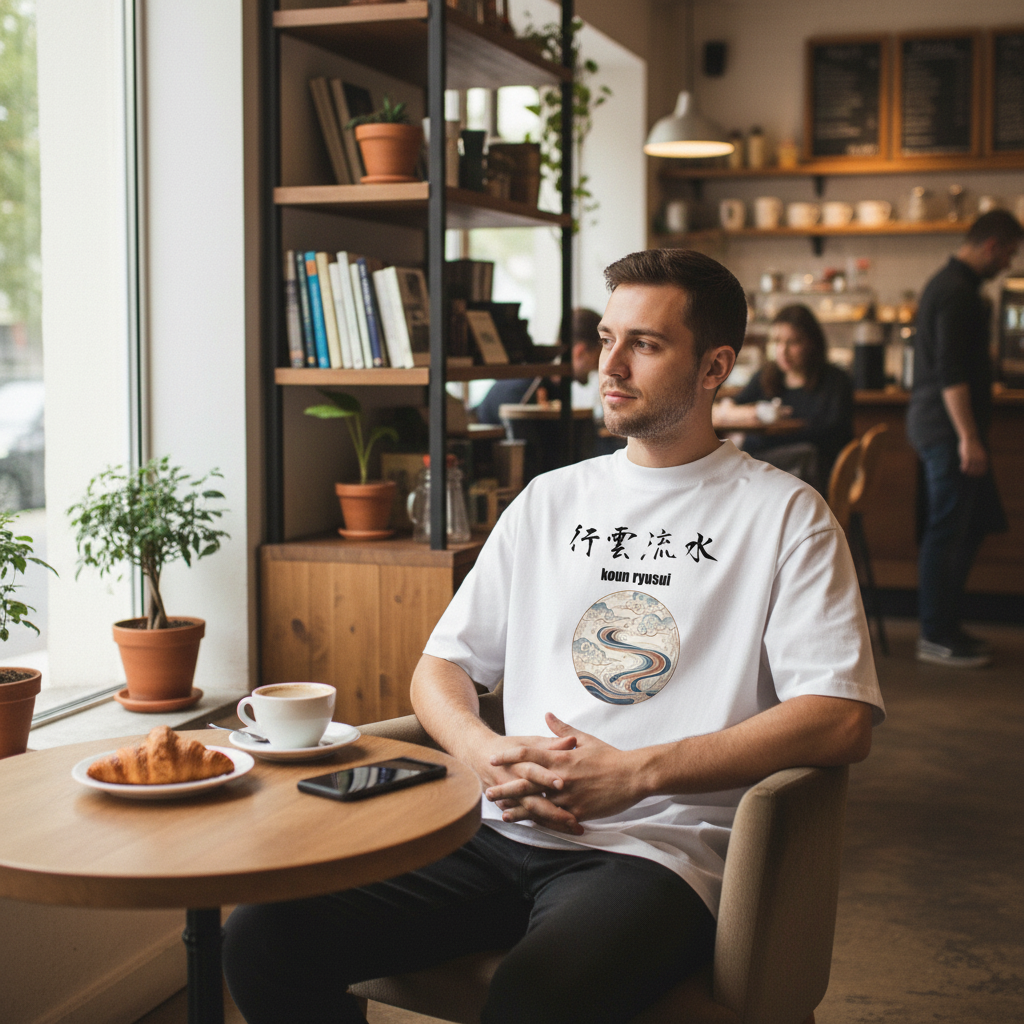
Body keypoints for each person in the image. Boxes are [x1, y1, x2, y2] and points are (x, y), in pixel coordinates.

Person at [223, 250, 884, 1024]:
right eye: (607, 337)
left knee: (537, 999)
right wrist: (476, 747)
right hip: (496, 825)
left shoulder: (785, 516)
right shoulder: (551, 501)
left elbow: (840, 717)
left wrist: (637, 775)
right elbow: (441, 666)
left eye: (645, 343)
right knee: (264, 936)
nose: (610, 364)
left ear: (715, 368)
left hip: (656, 850)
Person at [907, 210, 1022, 668]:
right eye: (1010, 253)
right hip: (946, 429)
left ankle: (946, 625)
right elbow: (950, 373)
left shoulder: (955, 287)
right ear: (993, 245)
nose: (1009, 264)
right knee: (947, 533)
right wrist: (969, 438)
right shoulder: (956, 292)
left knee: (970, 526)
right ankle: (934, 633)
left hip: (942, 428)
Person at [719, 304, 853, 492]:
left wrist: (751, 440)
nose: (783, 350)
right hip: (774, 471)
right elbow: (731, 405)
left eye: (793, 342)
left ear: (812, 343)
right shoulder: (767, 376)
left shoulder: (835, 380)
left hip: (822, 476)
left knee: (805, 454)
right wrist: (747, 414)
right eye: (777, 342)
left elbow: (828, 434)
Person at [473, 307, 603, 425]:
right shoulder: (526, 389)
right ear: (580, 352)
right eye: (598, 358)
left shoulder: (549, 388)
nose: (599, 367)